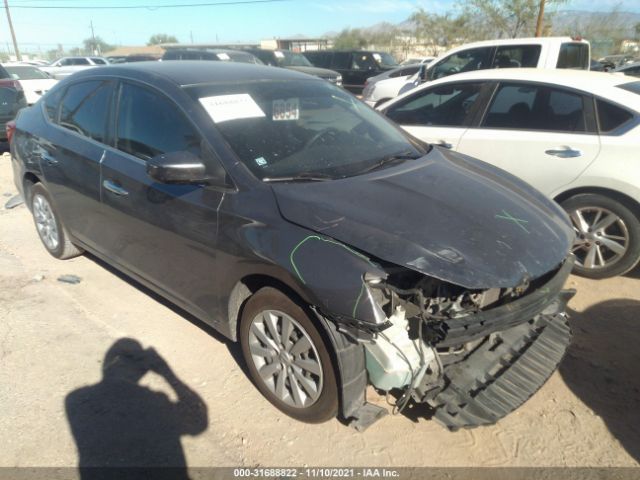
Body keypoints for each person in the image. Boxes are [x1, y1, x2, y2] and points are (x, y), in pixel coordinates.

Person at [65, 338, 208, 479]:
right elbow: (199, 423)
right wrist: (166, 372)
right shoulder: (154, 402)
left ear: (107, 366)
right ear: (142, 371)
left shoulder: (74, 399)